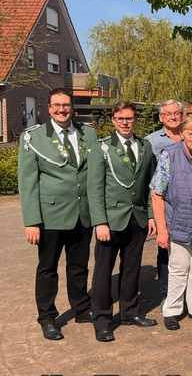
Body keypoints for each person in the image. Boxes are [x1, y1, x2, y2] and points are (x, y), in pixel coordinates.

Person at [18, 88, 98, 340]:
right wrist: (32, 221)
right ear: (48, 107)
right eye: (57, 105)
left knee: (79, 266)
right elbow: (28, 182)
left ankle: (82, 307)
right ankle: (47, 317)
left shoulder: (89, 134)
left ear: (72, 107)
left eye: (66, 105)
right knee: (47, 268)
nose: (62, 109)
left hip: (82, 213)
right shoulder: (33, 137)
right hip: (50, 216)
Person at [88, 101, 158, 342]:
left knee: (131, 269)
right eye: (120, 119)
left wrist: (150, 215)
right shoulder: (102, 148)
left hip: (136, 219)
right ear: (113, 121)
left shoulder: (145, 147)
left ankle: (129, 312)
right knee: (103, 272)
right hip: (110, 220)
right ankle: (103, 320)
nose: (125, 123)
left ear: (135, 120)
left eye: (129, 118)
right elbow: (94, 188)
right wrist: (99, 222)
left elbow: (151, 185)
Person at [150, 116, 192, 331]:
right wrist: (162, 229)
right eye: (191, 133)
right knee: (178, 269)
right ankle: (172, 310)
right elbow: (157, 193)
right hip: (179, 224)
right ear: (182, 134)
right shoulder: (169, 155)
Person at [145, 99, 184, 302]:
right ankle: (166, 295)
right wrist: (151, 215)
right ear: (161, 117)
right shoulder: (151, 142)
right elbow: (145, 180)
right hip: (164, 205)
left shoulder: (190, 136)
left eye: (176, 113)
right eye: (167, 114)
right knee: (165, 250)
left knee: (186, 252)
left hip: (186, 207)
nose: (172, 117)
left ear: (182, 115)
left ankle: (186, 294)